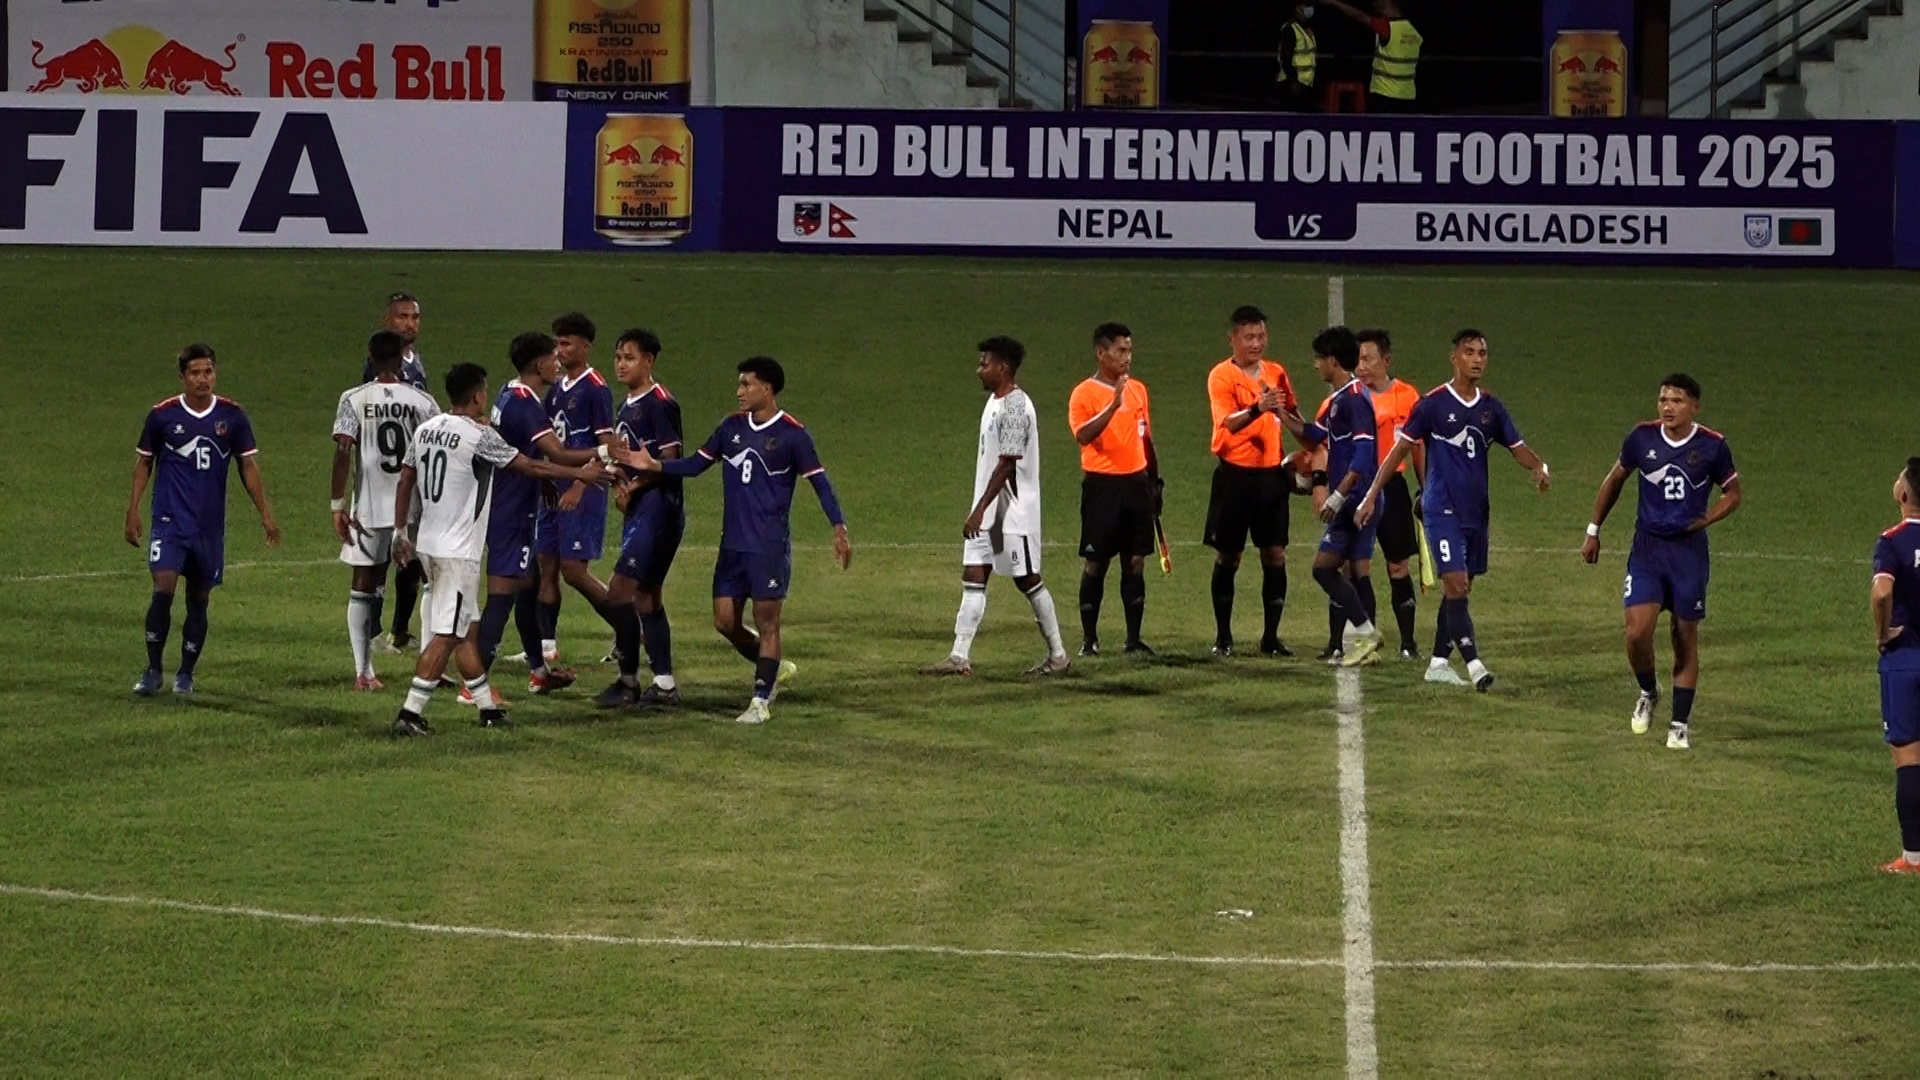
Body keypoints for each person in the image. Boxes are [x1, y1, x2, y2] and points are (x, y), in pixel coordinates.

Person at [626, 357, 852, 726]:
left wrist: (839, 528)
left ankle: (760, 700)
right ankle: (773, 667)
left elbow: (820, 484)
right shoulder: (730, 427)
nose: (739, 391)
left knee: (768, 623)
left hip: (768, 547)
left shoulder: (793, 434)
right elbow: (695, 465)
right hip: (731, 546)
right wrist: (656, 466)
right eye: (740, 384)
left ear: (767, 388)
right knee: (724, 621)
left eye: (746, 384)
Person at [389, 363, 606, 737]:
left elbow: (406, 478)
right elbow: (529, 466)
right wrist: (579, 474)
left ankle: (488, 709)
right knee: (447, 635)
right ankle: (410, 713)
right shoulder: (478, 436)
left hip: (428, 544)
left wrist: (399, 532)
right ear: (477, 396)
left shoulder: (426, 429)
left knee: (465, 632)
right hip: (458, 552)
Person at [1356, 330, 1550, 691]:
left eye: (1482, 353)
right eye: (1469, 352)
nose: (1477, 359)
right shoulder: (1432, 404)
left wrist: (1539, 467)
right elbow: (1399, 451)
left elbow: (1518, 447)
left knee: (1460, 589)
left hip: (1476, 512)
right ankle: (1476, 666)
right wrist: (1371, 495)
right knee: (1456, 584)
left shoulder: (1491, 408)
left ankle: (1438, 663)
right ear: (1454, 358)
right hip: (1441, 508)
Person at [1581, 375, 1741, 750]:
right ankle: (1649, 691)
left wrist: (1707, 519)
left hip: (1688, 554)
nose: (1668, 407)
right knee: (1637, 632)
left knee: (1684, 636)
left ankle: (1679, 724)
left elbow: (1733, 492)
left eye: (1677, 400)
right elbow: (1615, 479)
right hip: (1648, 549)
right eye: (1663, 399)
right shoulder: (1642, 438)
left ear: (1694, 406)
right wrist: (1593, 529)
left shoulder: (1713, 446)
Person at [126, 343, 281, 696]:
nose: (202, 379)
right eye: (194, 373)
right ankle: (153, 670)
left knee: (198, 600)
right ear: (182, 377)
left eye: (207, 371)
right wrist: (132, 510)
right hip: (169, 522)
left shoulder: (232, 416)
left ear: (215, 373)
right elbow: (145, 462)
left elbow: (247, 466)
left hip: (208, 528)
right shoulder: (162, 415)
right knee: (162, 591)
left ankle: (185, 673)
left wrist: (266, 515)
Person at [921, 336, 1071, 677]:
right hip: (990, 509)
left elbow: (1006, 464)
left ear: (1002, 367)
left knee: (1027, 579)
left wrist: (979, 510)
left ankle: (1059, 655)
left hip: (1010, 512)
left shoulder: (1016, 406)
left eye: (984, 364)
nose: (979, 370)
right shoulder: (995, 401)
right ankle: (958, 657)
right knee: (974, 574)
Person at [468, 332, 607, 703]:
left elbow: (519, 448)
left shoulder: (508, 392)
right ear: (538, 363)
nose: (557, 362)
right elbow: (558, 453)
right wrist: (602, 454)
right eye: (552, 357)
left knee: (527, 588)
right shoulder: (526, 404)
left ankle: (539, 673)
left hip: (511, 503)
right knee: (502, 597)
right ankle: (473, 686)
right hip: (512, 511)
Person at [330, 330, 439, 690]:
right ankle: (431, 666)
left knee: (363, 584)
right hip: (416, 507)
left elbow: (343, 450)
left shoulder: (353, 398)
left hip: (369, 508)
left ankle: (364, 672)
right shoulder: (423, 401)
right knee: (431, 579)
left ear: (370, 356)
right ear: (400, 358)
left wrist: (337, 505)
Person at [593, 329, 688, 709]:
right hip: (641, 510)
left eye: (629, 357)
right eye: (618, 357)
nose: (621, 364)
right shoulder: (626, 405)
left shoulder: (660, 403)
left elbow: (669, 460)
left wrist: (633, 487)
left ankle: (628, 680)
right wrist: (618, 480)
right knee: (646, 597)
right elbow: (627, 458)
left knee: (619, 593)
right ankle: (664, 685)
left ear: (649, 361)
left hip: (659, 510)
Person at [1279, 326, 1383, 667]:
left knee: (1323, 569)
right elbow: (1314, 434)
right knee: (1356, 572)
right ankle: (1365, 644)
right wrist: (1279, 413)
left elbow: (1364, 455)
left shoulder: (1355, 399)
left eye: (1318, 358)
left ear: (1333, 361)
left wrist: (1338, 495)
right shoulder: (1339, 400)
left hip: (1355, 501)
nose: (1315, 365)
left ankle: (1365, 633)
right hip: (1359, 499)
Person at [1203, 305, 1298, 658]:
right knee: (1229, 556)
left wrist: (1314, 449)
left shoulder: (1276, 372)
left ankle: (1271, 637)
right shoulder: (1221, 376)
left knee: (1275, 555)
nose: (1256, 343)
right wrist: (1259, 407)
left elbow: (1291, 413)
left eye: (1261, 336)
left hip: (1271, 477)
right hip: (1234, 477)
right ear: (1232, 339)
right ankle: (1223, 637)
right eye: (1249, 337)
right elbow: (1228, 423)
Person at [531, 312, 617, 666]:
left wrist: (580, 485)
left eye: (566, 343)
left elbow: (609, 447)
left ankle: (629, 626)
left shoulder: (596, 388)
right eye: (557, 343)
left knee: (574, 571)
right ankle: (546, 646)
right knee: (546, 565)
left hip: (584, 490)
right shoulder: (555, 390)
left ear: (585, 347)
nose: (559, 350)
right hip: (554, 488)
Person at [1069, 322, 1161, 657]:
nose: (1127, 357)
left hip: (1136, 485)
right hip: (1102, 487)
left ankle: (1133, 640)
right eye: (1121, 350)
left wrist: (1155, 481)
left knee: (1135, 562)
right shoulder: (1084, 393)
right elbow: (1083, 435)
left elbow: (1145, 438)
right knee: (1096, 563)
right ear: (1101, 353)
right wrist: (1112, 405)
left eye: (1129, 350)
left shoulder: (1138, 390)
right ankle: (1089, 640)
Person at [360, 292, 429, 653]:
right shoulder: (378, 366)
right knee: (380, 559)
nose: (409, 323)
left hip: (413, 476)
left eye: (414, 317)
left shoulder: (416, 362)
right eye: (402, 317)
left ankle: (400, 630)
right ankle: (372, 632)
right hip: (384, 478)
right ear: (387, 321)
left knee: (410, 557)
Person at [1355, 329, 1425, 658]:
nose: (1361, 366)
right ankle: (1359, 641)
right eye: (1357, 360)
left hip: (1393, 490)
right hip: (1357, 488)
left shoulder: (1408, 396)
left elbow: (1419, 447)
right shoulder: (1351, 396)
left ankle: (1408, 644)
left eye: (1367, 359)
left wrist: (1425, 489)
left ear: (1386, 360)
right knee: (1356, 567)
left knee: (1398, 566)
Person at [1871, 458, 1920, 875]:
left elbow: (1882, 593)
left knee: (1909, 757)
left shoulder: (1892, 541)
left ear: (1904, 494)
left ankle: (1914, 859)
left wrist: (1882, 633)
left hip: (1905, 659)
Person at [1325, 0, 1421, 113]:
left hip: (1384, 95)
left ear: (1392, 6)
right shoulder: (1413, 31)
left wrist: (1334, 2)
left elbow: (1359, 16)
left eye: (1382, 7)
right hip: (1408, 95)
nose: (1380, 12)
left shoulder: (1387, 27)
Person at [1276, 3, 1318, 110]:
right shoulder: (1290, 28)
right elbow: (1285, 58)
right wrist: (1295, 81)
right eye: (1305, 5)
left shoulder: (1308, 28)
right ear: (1297, 8)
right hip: (1291, 85)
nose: (1309, 8)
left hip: (1306, 84)